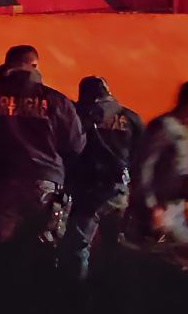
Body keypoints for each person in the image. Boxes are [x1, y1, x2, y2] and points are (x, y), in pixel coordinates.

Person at [0, 45, 86, 314]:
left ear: (7, 66)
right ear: (35, 65)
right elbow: (75, 145)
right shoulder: (55, 100)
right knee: (44, 251)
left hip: (0, 185)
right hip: (44, 185)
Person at [60, 76, 144, 281]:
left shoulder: (79, 116)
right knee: (114, 246)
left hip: (89, 193)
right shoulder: (131, 118)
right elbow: (140, 157)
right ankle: (114, 293)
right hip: (119, 193)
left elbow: (69, 149)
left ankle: (76, 296)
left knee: (78, 246)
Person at [132, 81, 188, 244]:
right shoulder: (164, 127)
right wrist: (152, 207)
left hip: (176, 211)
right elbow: (143, 168)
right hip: (160, 214)